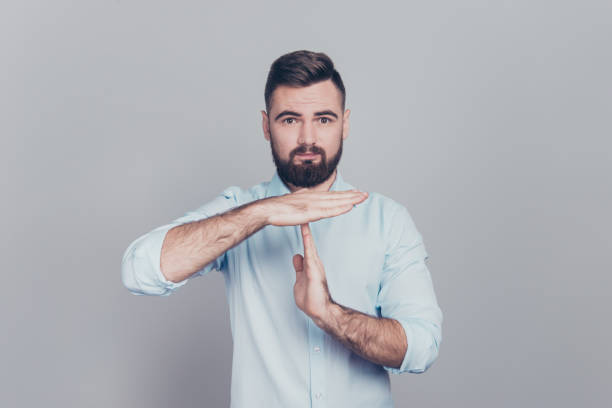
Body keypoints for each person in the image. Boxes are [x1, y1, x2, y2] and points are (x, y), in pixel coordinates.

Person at [121, 50, 443, 407]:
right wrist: (264, 212)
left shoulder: (388, 220)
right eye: (290, 120)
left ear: (345, 124)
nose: (308, 139)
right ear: (266, 125)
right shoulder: (239, 211)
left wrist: (330, 314)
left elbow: (421, 346)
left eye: (323, 119)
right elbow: (140, 270)